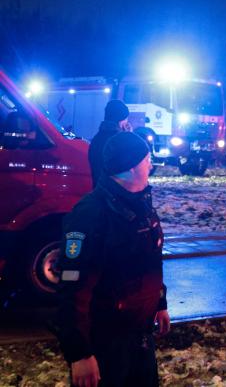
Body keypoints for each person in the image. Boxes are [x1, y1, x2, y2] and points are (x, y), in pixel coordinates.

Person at [53, 132, 170, 387]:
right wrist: (80, 353)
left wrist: (160, 302)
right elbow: (72, 290)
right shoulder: (91, 215)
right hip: (105, 344)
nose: (151, 164)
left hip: (139, 336)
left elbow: (151, 261)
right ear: (130, 167)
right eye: (147, 159)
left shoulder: (140, 205)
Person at [88, 100, 131, 188]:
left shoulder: (97, 138)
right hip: (114, 196)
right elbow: (129, 170)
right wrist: (129, 137)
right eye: (126, 118)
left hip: (99, 192)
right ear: (121, 120)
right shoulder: (118, 141)